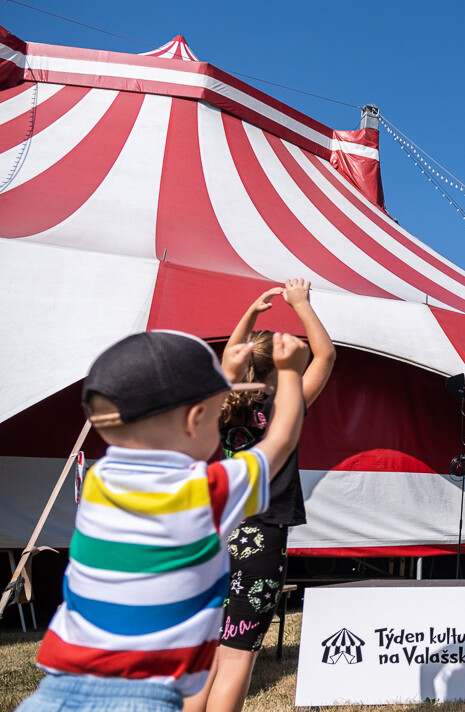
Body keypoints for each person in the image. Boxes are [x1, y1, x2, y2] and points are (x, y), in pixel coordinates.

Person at [17, 330, 307, 712]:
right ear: (196, 418)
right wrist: (291, 372)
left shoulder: (101, 481)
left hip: (54, 692)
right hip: (145, 700)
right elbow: (281, 439)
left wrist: (222, 382)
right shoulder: (211, 492)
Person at [189, 279, 336, 712]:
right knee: (236, 659)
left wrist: (251, 315)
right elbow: (326, 355)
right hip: (262, 536)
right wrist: (302, 304)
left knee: (204, 655)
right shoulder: (284, 407)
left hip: (211, 535)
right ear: (278, 370)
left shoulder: (221, 405)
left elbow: (226, 367)